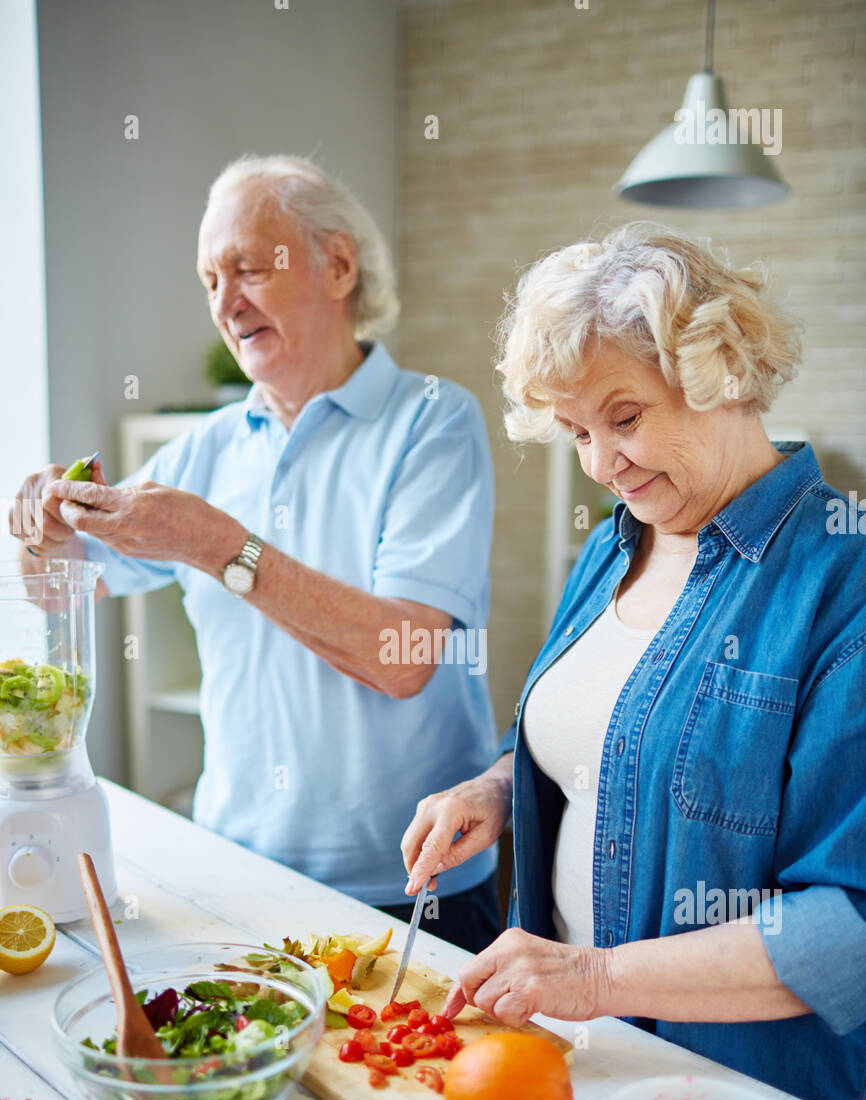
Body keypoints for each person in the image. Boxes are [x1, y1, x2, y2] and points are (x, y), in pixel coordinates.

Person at [401, 223, 866, 1100]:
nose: (600, 465)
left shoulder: (841, 582)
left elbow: (848, 928)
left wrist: (595, 976)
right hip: (572, 1062)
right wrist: (499, 790)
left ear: (722, 371)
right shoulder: (618, 546)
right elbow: (604, 738)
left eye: (625, 417)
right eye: (575, 430)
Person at [13, 155, 501, 951]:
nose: (224, 302)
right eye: (209, 280)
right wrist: (42, 533)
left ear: (338, 265)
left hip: (415, 885)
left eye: (248, 268)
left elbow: (403, 658)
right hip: (238, 873)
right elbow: (60, 587)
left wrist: (214, 544)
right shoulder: (201, 451)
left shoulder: (433, 422)